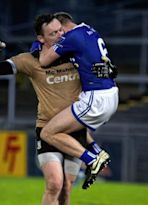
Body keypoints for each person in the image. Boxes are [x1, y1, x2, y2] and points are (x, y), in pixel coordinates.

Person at [0, 13, 113, 205]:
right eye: (53, 33)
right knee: (54, 183)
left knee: (66, 189)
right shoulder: (30, 60)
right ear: (41, 38)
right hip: (47, 128)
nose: (61, 34)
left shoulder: (74, 55)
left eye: (60, 30)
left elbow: (103, 68)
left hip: (74, 130)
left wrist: (107, 70)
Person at [38, 12, 119, 189]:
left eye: (59, 31)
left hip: (96, 97)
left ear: (63, 26)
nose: (59, 35)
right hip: (109, 93)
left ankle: (92, 160)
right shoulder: (89, 31)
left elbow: (43, 61)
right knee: (70, 126)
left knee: (48, 133)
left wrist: (41, 42)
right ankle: (97, 152)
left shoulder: (71, 36)